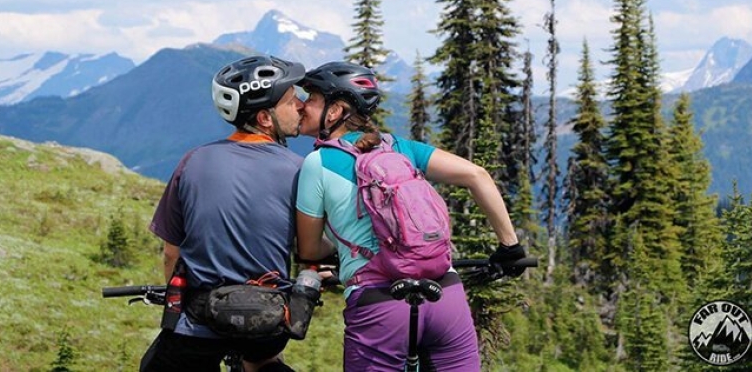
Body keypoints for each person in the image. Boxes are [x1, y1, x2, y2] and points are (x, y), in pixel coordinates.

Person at [294, 61, 527, 371]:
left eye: (311, 98)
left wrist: (348, 256)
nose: (301, 106)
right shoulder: (398, 147)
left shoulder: (317, 162)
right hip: (445, 296)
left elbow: (309, 250)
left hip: (378, 305)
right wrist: (510, 247)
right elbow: (477, 175)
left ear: (335, 111)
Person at [141, 55, 307, 372]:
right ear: (265, 118)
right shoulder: (300, 171)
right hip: (265, 323)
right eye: (291, 100)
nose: (300, 106)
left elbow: (171, 252)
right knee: (264, 361)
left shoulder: (193, 161)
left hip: (201, 319)